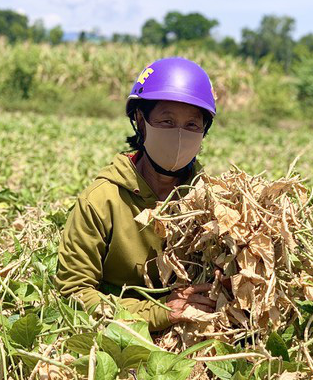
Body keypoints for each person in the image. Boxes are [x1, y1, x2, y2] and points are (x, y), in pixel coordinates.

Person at [55, 57, 218, 331]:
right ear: (140, 121)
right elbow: (74, 294)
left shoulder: (212, 202)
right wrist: (161, 312)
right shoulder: (101, 200)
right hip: (115, 333)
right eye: (167, 121)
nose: (179, 135)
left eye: (192, 125)